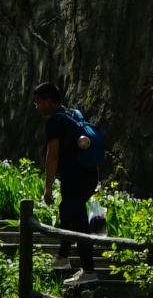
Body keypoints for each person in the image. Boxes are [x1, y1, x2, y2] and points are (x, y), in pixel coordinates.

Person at [34, 82, 105, 271]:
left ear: (48, 102)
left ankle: (89, 271)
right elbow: (90, 145)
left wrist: (47, 187)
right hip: (89, 175)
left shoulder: (55, 122)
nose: (37, 107)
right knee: (67, 212)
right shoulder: (77, 114)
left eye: (38, 103)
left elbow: (53, 155)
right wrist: (96, 180)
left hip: (73, 178)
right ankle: (62, 257)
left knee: (79, 222)